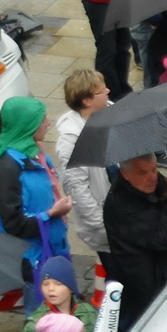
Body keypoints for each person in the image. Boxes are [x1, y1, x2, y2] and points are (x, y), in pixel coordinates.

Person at [0, 97, 71, 312]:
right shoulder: (8, 169)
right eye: (42, 120)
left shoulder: (32, 154)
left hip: (52, 252)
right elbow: (14, 224)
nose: (48, 123)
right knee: (41, 323)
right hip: (35, 263)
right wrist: (52, 213)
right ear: (28, 125)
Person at [54, 70, 113, 269]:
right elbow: (77, 189)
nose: (108, 91)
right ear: (87, 100)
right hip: (108, 225)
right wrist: (103, 226)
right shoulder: (71, 139)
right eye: (101, 90)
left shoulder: (111, 114)